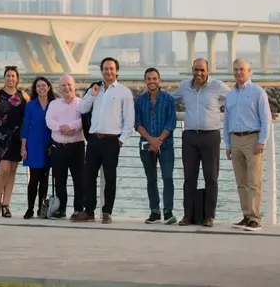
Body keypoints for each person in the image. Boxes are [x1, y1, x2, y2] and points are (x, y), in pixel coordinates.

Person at [75, 57, 134, 224]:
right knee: (88, 177)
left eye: (112, 68)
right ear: (101, 70)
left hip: (111, 141)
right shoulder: (94, 89)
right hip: (94, 139)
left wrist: (120, 140)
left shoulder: (124, 92)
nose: (108, 71)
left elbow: (129, 121)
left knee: (110, 178)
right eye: (106, 68)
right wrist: (92, 96)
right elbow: (82, 108)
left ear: (116, 71)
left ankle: (107, 211)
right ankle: (89, 211)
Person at [172, 57, 229, 228]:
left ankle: (209, 216)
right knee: (189, 178)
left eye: (202, 70)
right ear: (192, 70)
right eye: (196, 69)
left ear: (208, 71)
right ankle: (188, 215)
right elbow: (168, 101)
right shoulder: (184, 86)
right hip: (190, 136)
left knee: (211, 178)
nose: (199, 73)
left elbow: (236, 100)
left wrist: (264, 109)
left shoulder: (217, 86)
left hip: (210, 137)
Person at [224, 58, 273, 232]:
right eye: (236, 69)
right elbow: (226, 121)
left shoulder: (257, 92)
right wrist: (228, 144)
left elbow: (266, 119)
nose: (238, 72)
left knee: (254, 181)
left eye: (242, 69)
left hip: (252, 139)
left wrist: (262, 141)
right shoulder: (230, 94)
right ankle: (246, 216)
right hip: (235, 140)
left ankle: (255, 219)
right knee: (241, 182)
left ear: (249, 70)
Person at [135, 67, 177, 225]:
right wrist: (151, 140)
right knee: (151, 179)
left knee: (168, 178)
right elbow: (137, 124)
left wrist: (158, 140)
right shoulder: (139, 101)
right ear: (144, 81)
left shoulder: (168, 99)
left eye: (154, 78)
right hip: (146, 145)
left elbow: (171, 122)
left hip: (166, 145)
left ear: (159, 80)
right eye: (149, 79)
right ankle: (154, 211)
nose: (152, 81)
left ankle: (168, 212)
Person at [0, 65, 26, 218]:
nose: (10, 79)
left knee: (13, 171)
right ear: (4, 78)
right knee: (3, 169)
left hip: (16, 138)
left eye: (13, 76)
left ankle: (6, 204)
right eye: (8, 76)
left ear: (17, 79)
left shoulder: (23, 96)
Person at [45, 75, 84, 220]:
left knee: (79, 180)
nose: (66, 88)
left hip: (77, 147)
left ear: (75, 86)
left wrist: (71, 126)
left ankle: (79, 209)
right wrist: (62, 128)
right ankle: (61, 209)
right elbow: (49, 120)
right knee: (60, 180)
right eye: (63, 86)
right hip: (59, 148)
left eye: (69, 85)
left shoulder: (81, 103)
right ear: (59, 88)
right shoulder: (54, 104)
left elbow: (83, 120)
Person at [20, 76, 55, 219]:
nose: (41, 88)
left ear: (49, 87)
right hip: (33, 143)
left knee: (45, 179)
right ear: (35, 89)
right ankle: (30, 208)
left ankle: (42, 208)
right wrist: (23, 147)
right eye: (38, 86)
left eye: (44, 85)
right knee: (34, 178)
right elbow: (25, 126)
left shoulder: (54, 104)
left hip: (49, 143)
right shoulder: (30, 105)